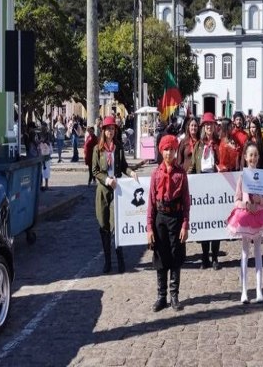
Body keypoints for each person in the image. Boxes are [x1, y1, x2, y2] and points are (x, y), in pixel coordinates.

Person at [226, 142, 263, 303]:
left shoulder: (262, 177)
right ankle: (244, 290)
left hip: (259, 215)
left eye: (255, 155)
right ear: (245, 157)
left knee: (257, 252)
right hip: (245, 216)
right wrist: (246, 204)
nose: (253, 158)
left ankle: (258, 289)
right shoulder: (242, 177)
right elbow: (236, 199)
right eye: (250, 155)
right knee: (244, 252)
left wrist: (259, 200)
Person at [146, 135, 190, 312]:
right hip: (160, 219)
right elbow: (150, 202)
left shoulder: (181, 174)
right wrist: (149, 228)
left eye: (172, 150)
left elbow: (187, 202)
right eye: (166, 149)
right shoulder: (155, 174)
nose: (169, 153)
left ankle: (174, 295)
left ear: (175, 152)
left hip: (176, 218)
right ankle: (161, 296)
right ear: (161, 151)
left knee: (175, 256)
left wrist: (185, 225)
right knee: (161, 256)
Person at [92, 115, 138, 274]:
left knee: (116, 226)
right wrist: (106, 180)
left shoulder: (118, 147)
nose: (110, 132)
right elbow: (95, 171)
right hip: (103, 192)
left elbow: (123, 166)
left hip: (117, 191)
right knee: (103, 227)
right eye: (108, 129)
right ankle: (107, 261)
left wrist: (131, 172)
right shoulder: (97, 149)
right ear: (103, 131)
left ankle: (120, 260)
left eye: (113, 129)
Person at [191, 112, 221, 269]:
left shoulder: (219, 144)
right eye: (206, 125)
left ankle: (215, 257)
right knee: (204, 224)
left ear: (215, 126)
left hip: (215, 187)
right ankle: (204, 257)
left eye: (211, 124)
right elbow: (193, 166)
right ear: (203, 127)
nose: (209, 127)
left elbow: (224, 163)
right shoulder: (198, 145)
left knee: (215, 223)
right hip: (201, 187)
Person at [38, 122, 53, 191]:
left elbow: (50, 141)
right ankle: (40, 184)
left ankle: (46, 184)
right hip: (41, 153)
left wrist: (44, 142)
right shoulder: (38, 134)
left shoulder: (48, 134)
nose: (43, 128)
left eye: (44, 127)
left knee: (46, 169)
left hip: (46, 154)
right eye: (42, 127)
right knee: (40, 170)